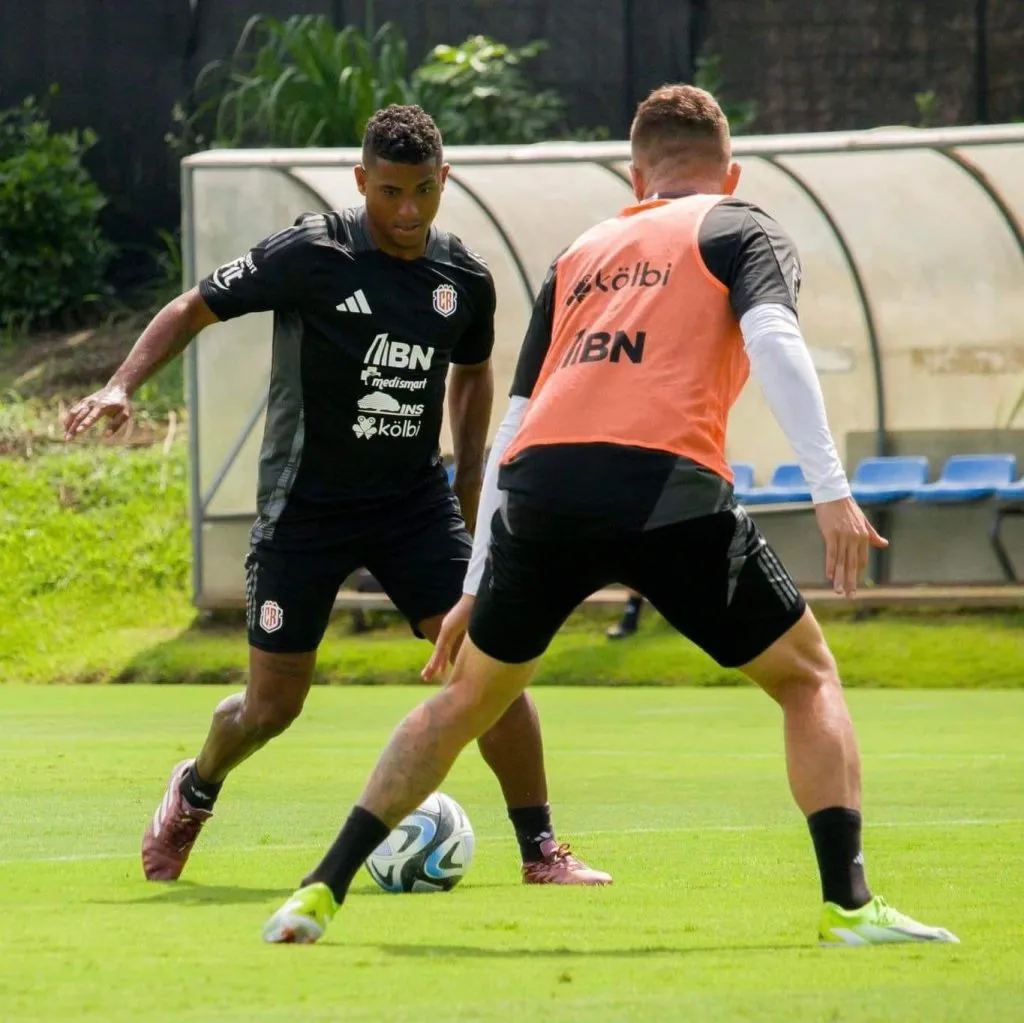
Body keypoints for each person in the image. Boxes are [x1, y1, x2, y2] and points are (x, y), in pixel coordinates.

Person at [260, 84, 960, 947]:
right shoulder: (739, 225)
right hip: (663, 483)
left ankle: (317, 892)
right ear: (728, 171)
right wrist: (831, 489)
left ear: (637, 176)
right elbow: (775, 340)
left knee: (466, 700)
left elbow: (513, 424)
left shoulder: (579, 251)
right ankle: (850, 906)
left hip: (541, 488)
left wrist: (477, 581)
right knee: (807, 676)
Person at [63, 105, 609, 888]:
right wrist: (121, 386)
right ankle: (194, 790)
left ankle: (541, 851)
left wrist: (465, 476)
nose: (409, 211)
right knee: (271, 707)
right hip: (304, 510)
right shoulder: (311, 252)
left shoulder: (463, 278)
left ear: (444, 179)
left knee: (489, 666)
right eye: (391, 192)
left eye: (424, 190)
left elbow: (475, 367)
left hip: (411, 507)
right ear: (362, 182)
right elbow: (192, 307)